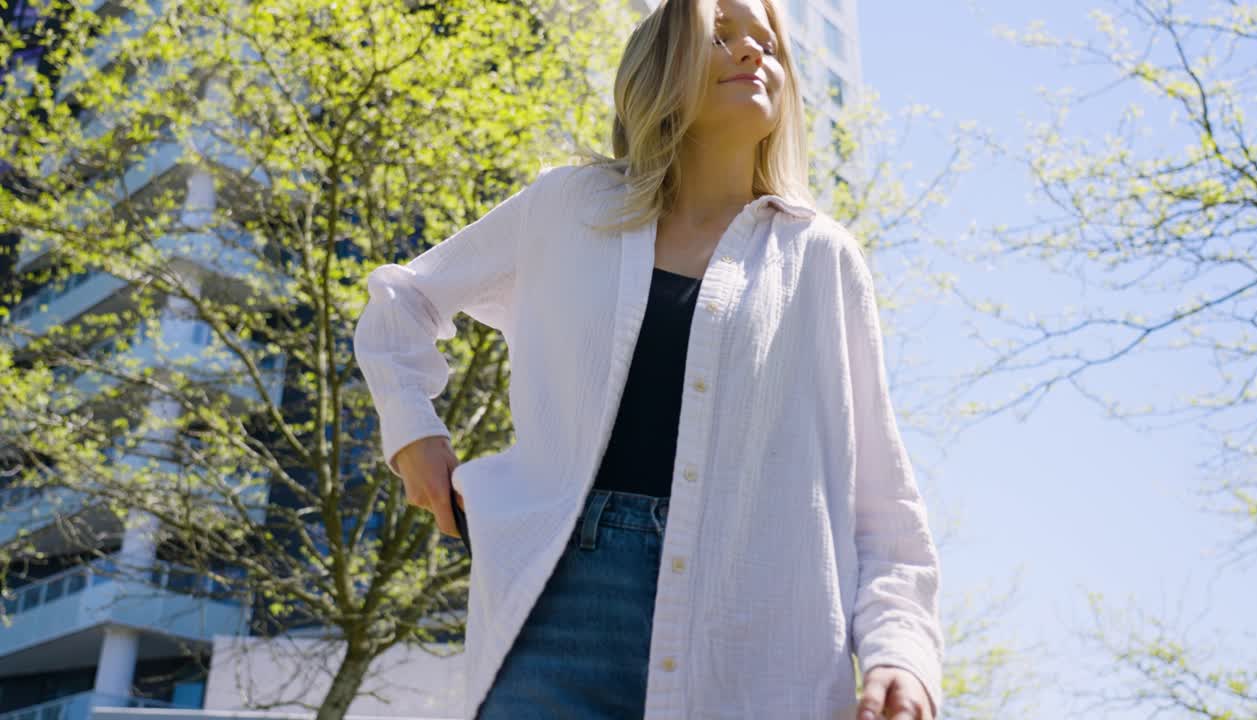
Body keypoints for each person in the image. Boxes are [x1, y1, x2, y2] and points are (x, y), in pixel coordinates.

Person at [352, 0, 944, 718]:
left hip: (752, 642)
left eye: (768, 45)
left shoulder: (820, 258)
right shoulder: (568, 207)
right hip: (555, 618)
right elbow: (401, 302)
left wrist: (900, 654)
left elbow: (880, 505)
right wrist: (414, 435)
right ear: (661, 66)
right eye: (721, 37)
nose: (754, 54)